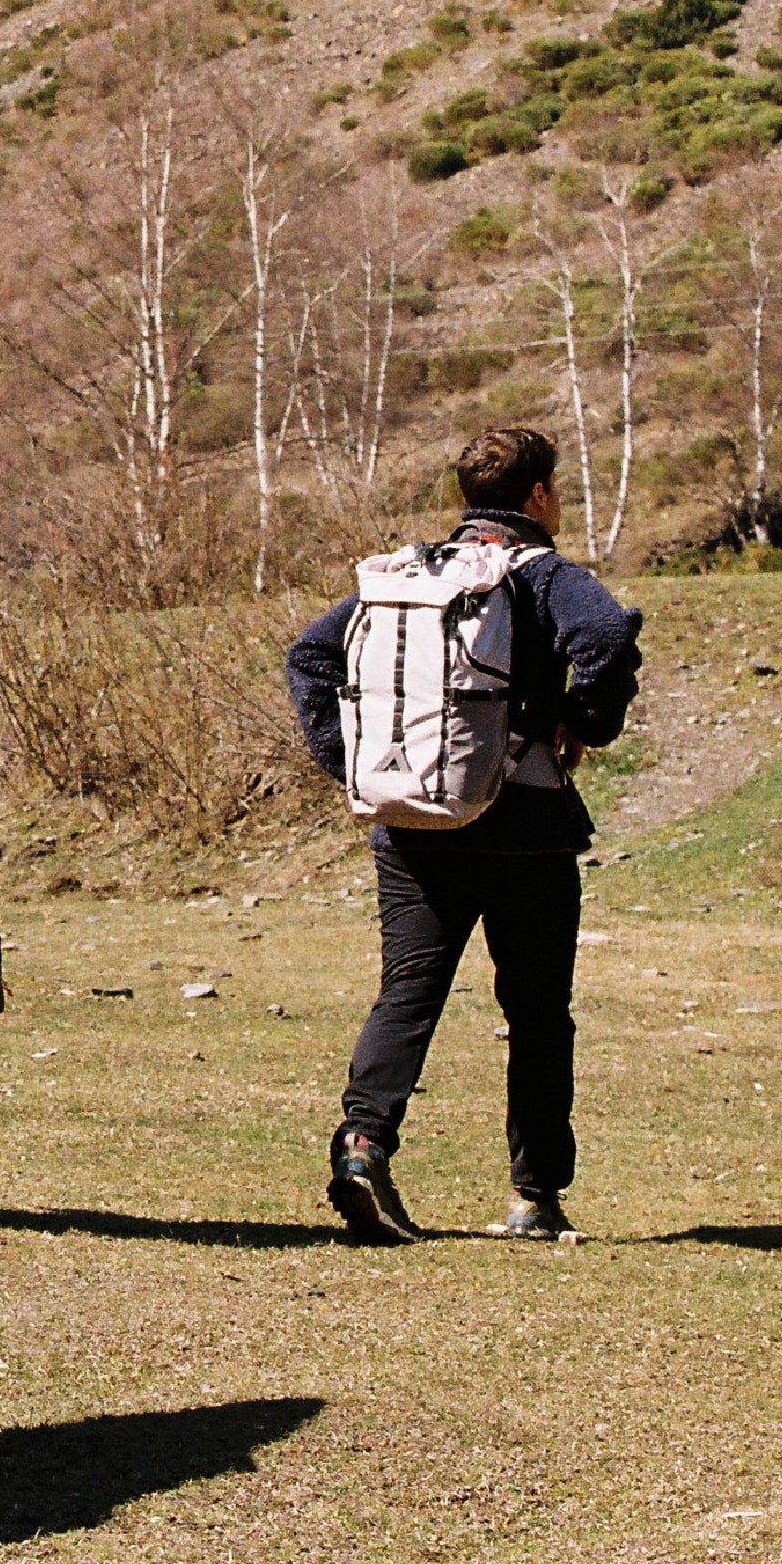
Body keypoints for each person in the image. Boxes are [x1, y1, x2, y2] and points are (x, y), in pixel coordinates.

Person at [285, 428, 643, 1244]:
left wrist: (356, 767)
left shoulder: (406, 576)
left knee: (407, 994)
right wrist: (581, 720)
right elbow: (609, 638)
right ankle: (534, 1196)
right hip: (526, 832)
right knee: (539, 1016)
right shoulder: (547, 575)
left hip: (411, 828)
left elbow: (309, 655)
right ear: (539, 497)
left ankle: (362, 1147)